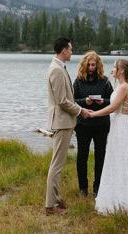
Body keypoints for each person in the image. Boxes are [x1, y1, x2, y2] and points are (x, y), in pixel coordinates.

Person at [45, 37, 92, 215]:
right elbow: (63, 101)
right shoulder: (56, 70)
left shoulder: (59, 67)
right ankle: (50, 206)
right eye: (71, 49)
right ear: (63, 50)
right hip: (62, 122)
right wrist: (81, 111)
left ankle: (56, 199)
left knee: (58, 163)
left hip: (63, 121)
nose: (72, 52)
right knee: (56, 165)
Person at [89, 58, 128, 216]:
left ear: (121, 71)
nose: (112, 70)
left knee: (120, 161)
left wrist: (93, 114)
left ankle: (121, 202)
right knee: (114, 160)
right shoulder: (121, 86)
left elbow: (112, 108)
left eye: (114, 67)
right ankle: (115, 198)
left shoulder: (124, 87)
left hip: (121, 127)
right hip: (118, 125)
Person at [73, 50, 114, 197]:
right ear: (84, 65)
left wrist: (103, 101)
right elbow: (71, 102)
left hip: (101, 124)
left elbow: (114, 101)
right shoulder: (78, 81)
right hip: (83, 124)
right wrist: (85, 101)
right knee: (82, 156)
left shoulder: (105, 81)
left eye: (94, 65)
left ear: (98, 66)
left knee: (100, 156)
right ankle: (83, 189)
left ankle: (98, 189)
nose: (91, 68)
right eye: (89, 65)